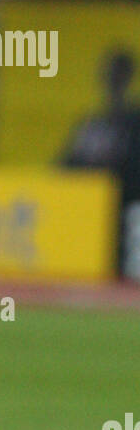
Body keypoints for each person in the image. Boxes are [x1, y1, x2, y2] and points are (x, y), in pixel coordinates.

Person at [60, 49, 140, 277]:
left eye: (118, 75)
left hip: (124, 209)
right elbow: (65, 166)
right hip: (87, 211)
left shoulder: (134, 122)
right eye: (109, 74)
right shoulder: (92, 123)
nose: (112, 81)